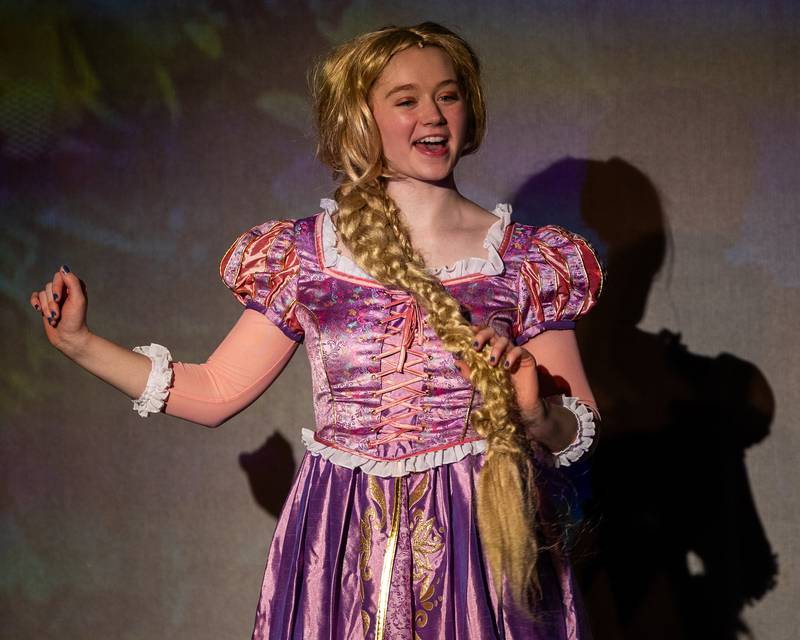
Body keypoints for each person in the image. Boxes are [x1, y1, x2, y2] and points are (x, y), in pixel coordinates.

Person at [31, 22, 603, 640]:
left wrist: (537, 411)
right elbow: (216, 390)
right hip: (342, 536)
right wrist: (81, 343)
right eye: (405, 100)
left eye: (448, 94)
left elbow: (579, 432)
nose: (432, 115)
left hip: (481, 536)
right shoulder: (307, 256)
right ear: (361, 119)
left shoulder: (524, 261)